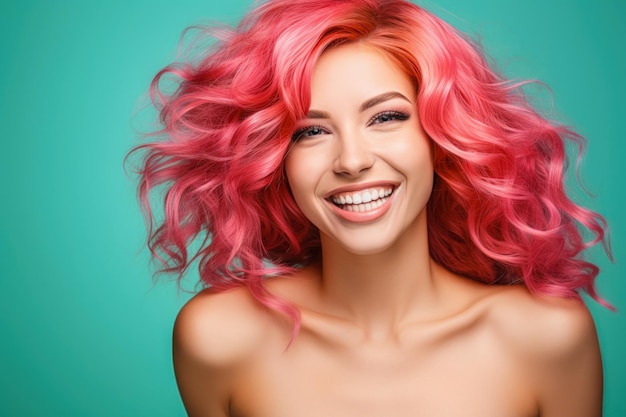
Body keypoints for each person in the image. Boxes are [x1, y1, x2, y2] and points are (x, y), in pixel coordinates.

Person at [133, 0, 611, 415]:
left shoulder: (547, 337)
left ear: (442, 138)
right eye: (310, 131)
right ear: (274, 160)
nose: (352, 161)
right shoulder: (219, 339)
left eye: (386, 117)